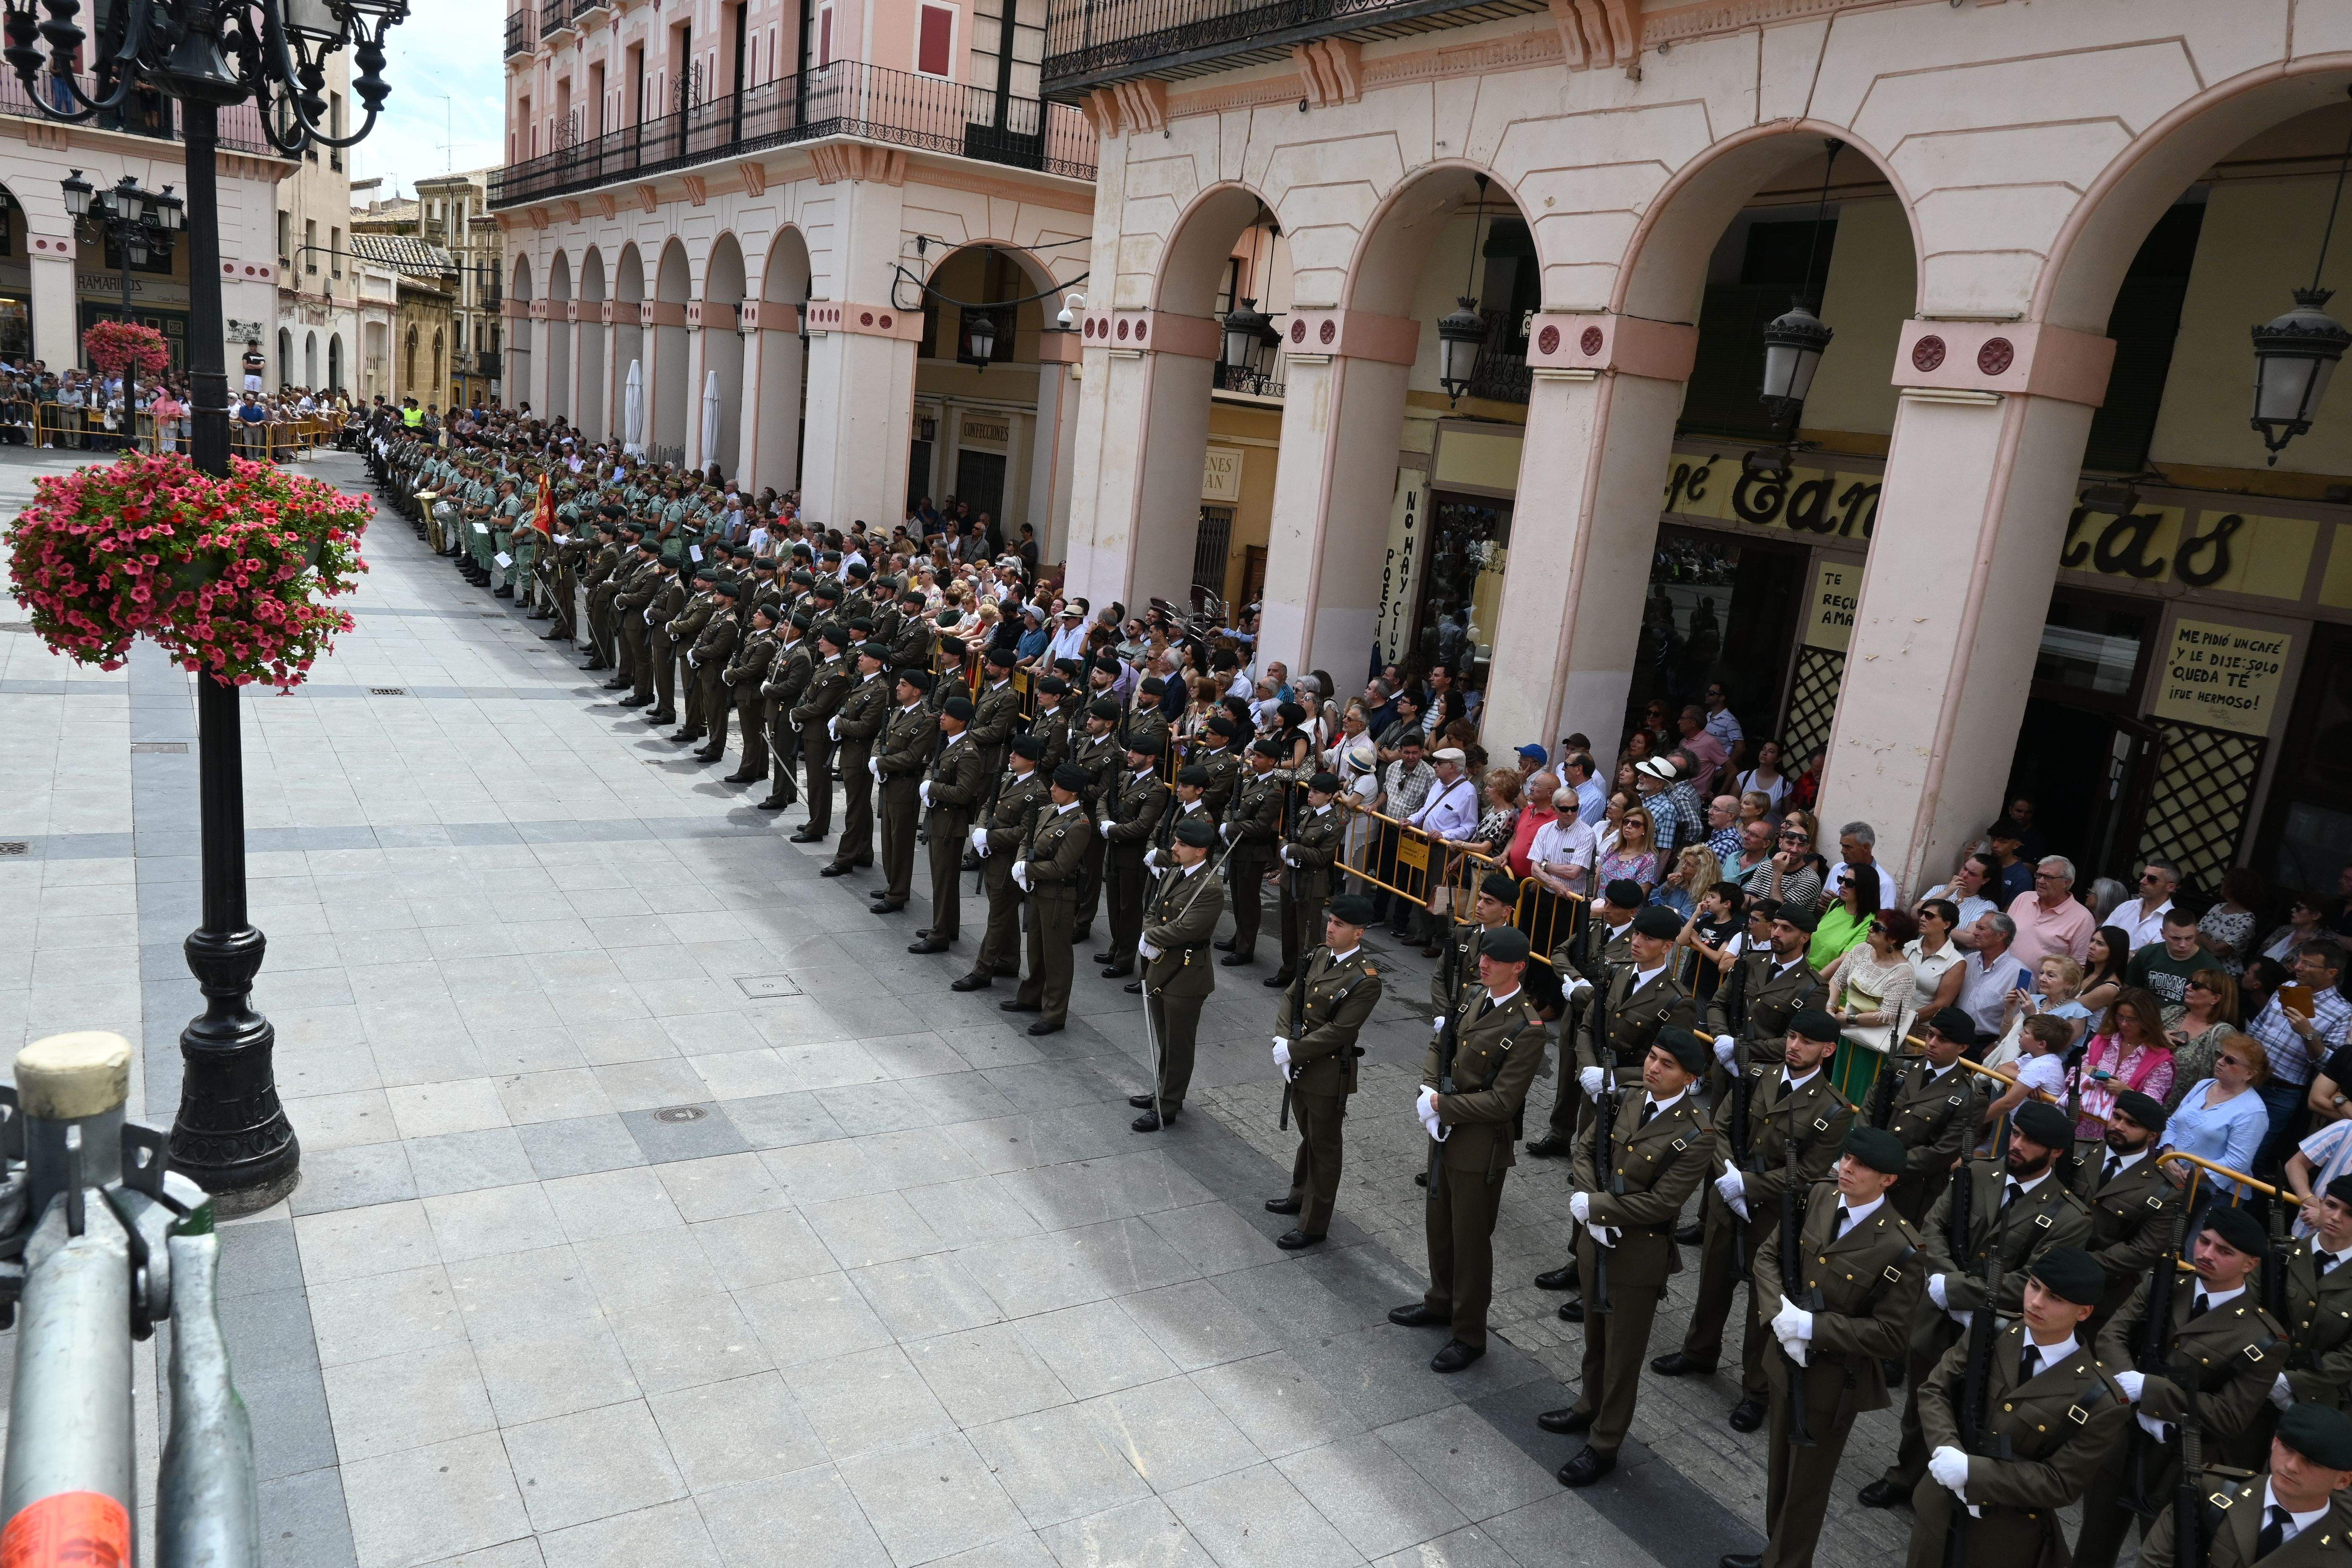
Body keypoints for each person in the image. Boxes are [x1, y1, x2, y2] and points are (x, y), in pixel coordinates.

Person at [1862, 1100, 2093, 1513]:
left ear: (2056, 1153)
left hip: (2001, 1328)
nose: (2017, 1144)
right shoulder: (1978, 1173)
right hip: (1938, 1310)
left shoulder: (2070, 1217)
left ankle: (1950, 1492)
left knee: (1973, 1410)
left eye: (2030, 1141)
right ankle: (1903, 1476)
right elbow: (1934, 1225)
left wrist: (1957, 1289)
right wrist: (1947, 1282)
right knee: (1921, 1402)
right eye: (2016, 1134)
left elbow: (2033, 1280)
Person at [1716, 1127, 1925, 1568]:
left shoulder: (1901, 1248)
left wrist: (1813, 1327)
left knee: (1806, 1487)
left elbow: (1890, 1336)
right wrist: (1781, 1316)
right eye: (1847, 1158)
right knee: (1780, 1473)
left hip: (1832, 1382)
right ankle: (1776, 1553)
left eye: (1862, 1165)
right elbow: (1769, 1258)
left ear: (1888, 1180)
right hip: (1784, 1357)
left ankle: (1789, 1561)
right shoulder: (1820, 1197)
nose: (1847, 1168)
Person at [1653, 1008, 1854, 1434]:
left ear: (1829, 1050)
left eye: (1807, 1041)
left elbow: (1810, 1173)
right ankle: (1699, 1350)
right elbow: (1720, 1126)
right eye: (1793, 1035)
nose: (1795, 1046)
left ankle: (1756, 1390)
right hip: (1728, 1197)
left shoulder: (1834, 1110)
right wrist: (1729, 1177)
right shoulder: (1759, 1075)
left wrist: (1749, 1184)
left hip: (1777, 1215)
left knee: (1764, 1304)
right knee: (1713, 1281)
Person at [1541, 1027, 1715, 1489]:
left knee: (1623, 1357)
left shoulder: (1698, 1134)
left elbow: (1664, 1203)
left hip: (1637, 1257)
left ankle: (1605, 1443)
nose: (1654, 1067)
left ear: (1691, 1079)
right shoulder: (1629, 1098)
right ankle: (1586, 1407)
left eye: (1667, 1064)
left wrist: (1598, 1208)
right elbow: (1586, 1147)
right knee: (1595, 1338)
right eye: (1653, 1058)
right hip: (1594, 1242)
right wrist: (1588, 1195)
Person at [2074, 1204, 2289, 1568]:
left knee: (2159, 1555)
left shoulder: (2264, 1337)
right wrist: (2134, 1396)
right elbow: (2113, 1336)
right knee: (2092, 1547)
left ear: (2250, 1265)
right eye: (2204, 1242)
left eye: (2224, 1251)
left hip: (2184, 1460)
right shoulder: (2166, 1284)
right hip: (2123, 1437)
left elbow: (2230, 1416)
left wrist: (2152, 1393)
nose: (2206, 1254)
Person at [1901, 1246, 2129, 1568]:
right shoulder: (1991, 1332)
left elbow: (2060, 1483)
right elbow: (1935, 1390)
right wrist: (1948, 1450)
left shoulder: (2101, 1399)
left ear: (2084, 1312)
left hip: (2003, 1538)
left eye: (2055, 1298)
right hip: (1939, 1506)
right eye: (2034, 1286)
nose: (2036, 1302)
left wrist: (1973, 1472)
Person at [1391, 926, 1548, 1373]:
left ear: (1518, 967)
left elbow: (1503, 1101)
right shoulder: (1473, 998)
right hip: (1444, 1128)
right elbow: (1440, 1044)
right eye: (1483, 956)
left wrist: (1443, 1105)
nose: (1484, 963)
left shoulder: (1527, 1026)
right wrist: (1427, 1089)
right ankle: (1440, 1301)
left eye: (1495, 960)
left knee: (1471, 1240)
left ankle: (1469, 1334)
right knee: (1438, 1224)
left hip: (1480, 1143)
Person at [1264, 895, 1385, 1248]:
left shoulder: (1366, 980)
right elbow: (1292, 996)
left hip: (1327, 1074)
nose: (1330, 928)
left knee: (1325, 1148)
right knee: (1310, 1137)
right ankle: (1300, 1195)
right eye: (1331, 921)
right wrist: (1284, 1041)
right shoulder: (1320, 954)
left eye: (1340, 925)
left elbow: (1339, 1032)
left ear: (1359, 933)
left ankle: (1314, 1224)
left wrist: (1294, 1050)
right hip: (1298, 1063)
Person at [2136, 1401, 2352, 1568]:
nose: (2292, 1466)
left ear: (2342, 1480)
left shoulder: (2344, 1551)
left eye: (2312, 1462)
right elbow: (2154, 1561)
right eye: (2287, 1448)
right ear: (2275, 1443)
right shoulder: (2209, 1489)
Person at [1003, 764, 1095, 1037]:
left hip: (1058, 896)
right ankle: (1032, 996)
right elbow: (1026, 839)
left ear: (1073, 792)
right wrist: (1021, 863)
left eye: (1057, 786)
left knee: (1057, 956)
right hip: (1038, 890)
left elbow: (1060, 867)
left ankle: (1055, 1013)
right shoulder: (1047, 811)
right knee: (1036, 948)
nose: (1052, 789)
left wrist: (1027, 870)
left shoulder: (1080, 825)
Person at [954, 734, 1049, 992]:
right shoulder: (1008, 778)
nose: (1012, 756)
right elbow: (988, 804)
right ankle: (1008, 961)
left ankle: (982, 970)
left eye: (1018, 754)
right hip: (993, 857)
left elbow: (1026, 833)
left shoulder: (1037, 794)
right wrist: (982, 831)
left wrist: (991, 837)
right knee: (1003, 914)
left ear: (1031, 761)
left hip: (1009, 863)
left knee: (997, 917)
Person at [2249, 942, 2352, 1174]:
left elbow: (2330, 1066)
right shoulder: (2286, 987)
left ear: (2331, 973)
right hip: (2246, 1078)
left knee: (2253, 1156)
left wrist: (2308, 1033)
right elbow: (2257, 1030)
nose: (2298, 967)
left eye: (2307, 964)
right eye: (2299, 960)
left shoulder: (2343, 1012)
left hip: (2280, 1092)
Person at [910, 695, 987, 954]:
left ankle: (940, 934)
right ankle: (947, 925)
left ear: (962, 721)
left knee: (944, 880)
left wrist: (933, 788)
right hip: (940, 819)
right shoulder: (950, 742)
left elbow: (964, 793)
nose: (941, 717)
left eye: (948, 714)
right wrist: (929, 782)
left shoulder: (967, 752)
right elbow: (933, 767)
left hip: (950, 824)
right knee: (943, 878)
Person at [2167, 1034, 2272, 1224]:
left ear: (2249, 1074)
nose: (2220, 1062)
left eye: (2230, 1060)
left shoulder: (2254, 1112)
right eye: (2220, 1055)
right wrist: (2169, 1156)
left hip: (2217, 1194)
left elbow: (2237, 1162)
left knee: (2194, 1249)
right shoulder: (2204, 1085)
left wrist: (2194, 1176)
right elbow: (2173, 1122)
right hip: (2177, 1178)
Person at [2273, 1173, 2352, 1405]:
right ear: (2320, 1203)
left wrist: (2291, 1382)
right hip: (2260, 1377)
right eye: (2331, 1205)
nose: (2336, 1217)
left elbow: (2349, 1358)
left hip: (2319, 1396)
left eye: (2350, 1214)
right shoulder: (2282, 1254)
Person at [819, 641, 892, 877]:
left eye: (866, 656)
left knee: (855, 808)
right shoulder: (866, 683)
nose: (860, 658)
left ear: (877, 663)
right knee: (860, 806)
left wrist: (840, 723)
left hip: (860, 754)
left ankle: (845, 859)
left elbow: (865, 727)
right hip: (851, 752)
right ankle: (864, 853)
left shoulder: (879, 690)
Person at [1271, 771, 1347, 987]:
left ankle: (1307, 979)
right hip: (1290, 878)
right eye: (1310, 790)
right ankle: (1288, 971)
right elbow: (1288, 834)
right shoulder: (1305, 811)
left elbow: (1323, 856)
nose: (1310, 795)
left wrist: (1294, 850)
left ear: (1330, 796)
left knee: (1307, 935)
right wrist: (1285, 850)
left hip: (1312, 883)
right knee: (1288, 928)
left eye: (1316, 792)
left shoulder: (1336, 823)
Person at [2070, 988, 2176, 1141]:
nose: (2124, 1024)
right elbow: (2074, 1075)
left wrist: (2126, 1092)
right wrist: (2085, 1072)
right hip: (2082, 1126)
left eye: (2132, 1019)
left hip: (2122, 1137)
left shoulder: (2162, 1061)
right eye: (2120, 1017)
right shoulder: (2102, 1040)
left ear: (2148, 1020)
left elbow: (2152, 1107)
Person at [1827, 908, 1920, 1058]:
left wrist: (1850, 1019)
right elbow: (1838, 981)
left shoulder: (1904, 972)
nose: (1870, 929)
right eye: (1872, 924)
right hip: (1845, 1032)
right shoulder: (1860, 950)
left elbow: (1889, 1015)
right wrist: (1830, 1008)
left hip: (1873, 1045)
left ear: (1893, 939)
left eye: (1877, 928)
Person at [2006, 855, 2096, 969]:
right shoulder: (2023, 898)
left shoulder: (2083, 918)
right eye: (2039, 875)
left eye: (2048, 877)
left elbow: (2079, 967)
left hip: (2042, 986)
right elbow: (2002, 936)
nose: (2041, 881)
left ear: (2066, 883)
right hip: (2003, 978)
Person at [2167, 970, 2241, 1108]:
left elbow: (2226, 1081)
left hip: (2183, 1110)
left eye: (2197, 986)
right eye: (2189, 982)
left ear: (2216, 999)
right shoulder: (2171, 1013)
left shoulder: (2223, 1034)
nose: (2188, 987)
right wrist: (2157, 1037)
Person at [1954, 912, 2033, 1040]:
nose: (1975, 933)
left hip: (1986, 1042)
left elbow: (2022, 1019)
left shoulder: (2018, 972)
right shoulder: (1969, 960)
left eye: (1982, 929)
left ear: (2001, 935)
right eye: (1977, 927)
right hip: (1954, 1034)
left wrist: (1997, 1045)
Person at [2129, 905, 2212, 1009]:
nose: (2183, 944)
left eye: (2189, 938)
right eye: (2176, 938)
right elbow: (2129, 991)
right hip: (2145, 1015)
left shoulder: (2210, 967)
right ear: (2162, 933)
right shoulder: (2147, 954)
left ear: (2196, 934)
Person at [1810, 861, 1881, 973]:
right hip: (1806, 971)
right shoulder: (1835, 905)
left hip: (1825, 982)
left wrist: (1811, 982)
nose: (1842, 886)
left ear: (1865, 889)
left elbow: (1843, 961)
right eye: (1842, 880)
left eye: (1849, 883)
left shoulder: (1869, 923)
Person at [1906, 898, 1968, 1018]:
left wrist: (1905, 1020)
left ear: (1946, 924)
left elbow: (1941, 1005)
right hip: (1887, 1016)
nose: (1922, 918)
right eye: (1921, 913)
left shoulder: (1956, 962)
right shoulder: (1908, 946)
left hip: (1919, 1027)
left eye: (1929, 916)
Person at [2200, 867, 2264, 975]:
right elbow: (2194, 933)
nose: (2222, 883)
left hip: (2222, 972)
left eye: (2225, 881)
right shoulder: (2218, 907)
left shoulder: (2247, 920)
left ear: (2236, 887)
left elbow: (2217, 951)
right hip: (2201, 963)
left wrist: (2201, 936)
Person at [1922, 852, 2001, 937]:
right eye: (1965, 868)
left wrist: (1937, 926)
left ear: (1985, 880)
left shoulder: (1987, 906)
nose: (1965, 875)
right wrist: (1946, 893)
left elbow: (1971, 938)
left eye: (1972, 874)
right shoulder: (1940, 890)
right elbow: (1915, 914)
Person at [2116, 858, 2182, 950]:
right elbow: (2101, 940)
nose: (2142, 881)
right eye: (2142, 875)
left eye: (2152, 879)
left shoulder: (2172, 923)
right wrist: (2136, 954)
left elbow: (2148, 961)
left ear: (2170, 887)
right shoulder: (2126, 907)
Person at [1598, 803, 1661, 896]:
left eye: (1636, 824)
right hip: (1597, 907)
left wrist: (1607, 909)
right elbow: (1596, 878)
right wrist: (1588, 902)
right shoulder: (1613, 848)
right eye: (1626, 822)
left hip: (1623, 910)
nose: (1629, 826)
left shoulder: (1649, 860)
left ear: (1645, 830)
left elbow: (1637, 897)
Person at [1734, 738, 1788, 811]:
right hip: (1741, 822)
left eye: (1771, 752)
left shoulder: (1785, 784)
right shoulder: (1744, 777)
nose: (1765, 753)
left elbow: (1788, 813)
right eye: (1763, 749)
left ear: (1778, 759)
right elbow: (1732, 803)